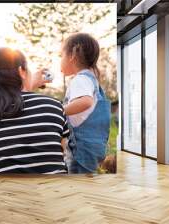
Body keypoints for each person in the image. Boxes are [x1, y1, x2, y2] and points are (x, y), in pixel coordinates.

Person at [0, 47, 70, 174]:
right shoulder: (53, 106)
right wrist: (27, 85)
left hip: (2, 193)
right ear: (22, 71)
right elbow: (58, 152)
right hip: (51, 191)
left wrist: (27, 84)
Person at [60, 33, 111, 174]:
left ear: (72, 55)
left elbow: (86, 101)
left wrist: (60, 110)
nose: (60, 60)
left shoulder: (80, 79)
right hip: (93, 147)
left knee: (77, 184)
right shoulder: (92, 80)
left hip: (81, 151)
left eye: (61, 55)